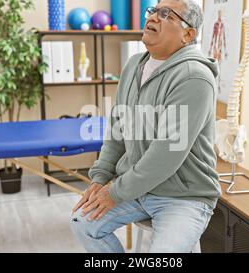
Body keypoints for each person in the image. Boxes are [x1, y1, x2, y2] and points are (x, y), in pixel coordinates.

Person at [70, 0, 221, 253]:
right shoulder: (133, 66)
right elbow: (117, 130)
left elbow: (166, 155)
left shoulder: (194, 77)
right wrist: (100, 178)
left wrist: (114, 191)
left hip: (183, 197)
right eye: (153, 11)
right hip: (139, 190)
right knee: (82, 223)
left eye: (166, 14)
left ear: (188, 33)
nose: (153, 17)